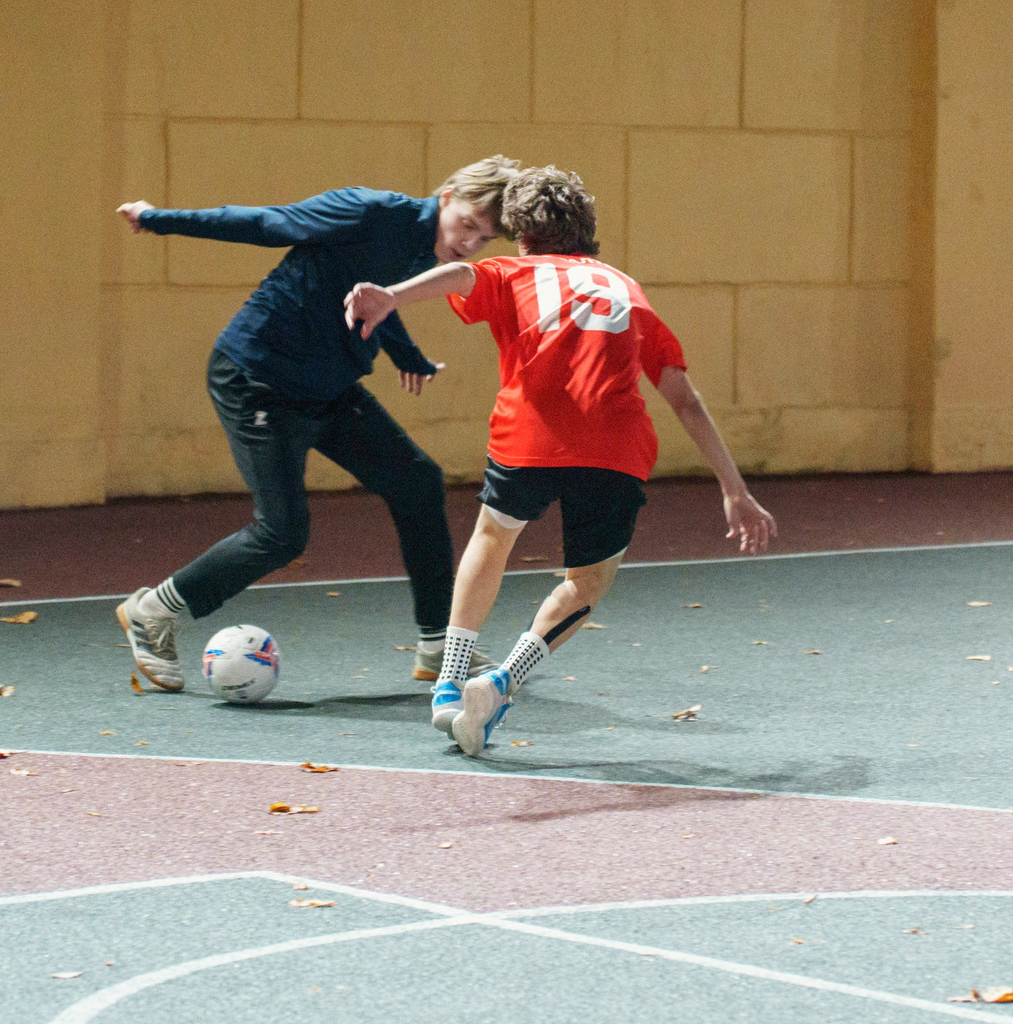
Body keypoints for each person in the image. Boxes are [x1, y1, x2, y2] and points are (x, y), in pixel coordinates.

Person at [345, 166, 775, 756]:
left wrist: (392, 295)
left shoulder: (513, 270)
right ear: (587, 231)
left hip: (529, 437)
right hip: (615, 449)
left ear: (521, 234)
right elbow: (684, 398)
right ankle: (501, 682)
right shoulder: (626, 288)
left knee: (493, 538)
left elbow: (463, 275)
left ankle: (449, 682)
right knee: (587, 582)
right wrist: (734, 488)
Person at [111, 158, 516, 691]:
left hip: (326, 389)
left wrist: (406, 354)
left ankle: (438, 642)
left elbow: (367, 297)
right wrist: (160, 218)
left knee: (417, 481)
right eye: (467, 225)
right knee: (282, 533)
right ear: (445, 197)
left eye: (483, 239)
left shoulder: (425, 249)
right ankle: (152, 610)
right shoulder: (369, 211)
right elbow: (262, 223)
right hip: (259, 377)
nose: (467, 245)